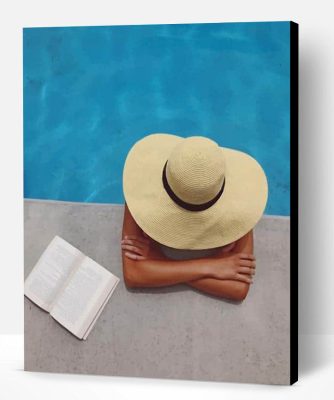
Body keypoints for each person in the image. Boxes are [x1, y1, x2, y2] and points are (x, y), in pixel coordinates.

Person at [121, 133, 268, 301]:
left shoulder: (239, 202)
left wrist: (159, 261)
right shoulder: (141, 189)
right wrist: (211, 266)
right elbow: (133, 275)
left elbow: (238, 288)